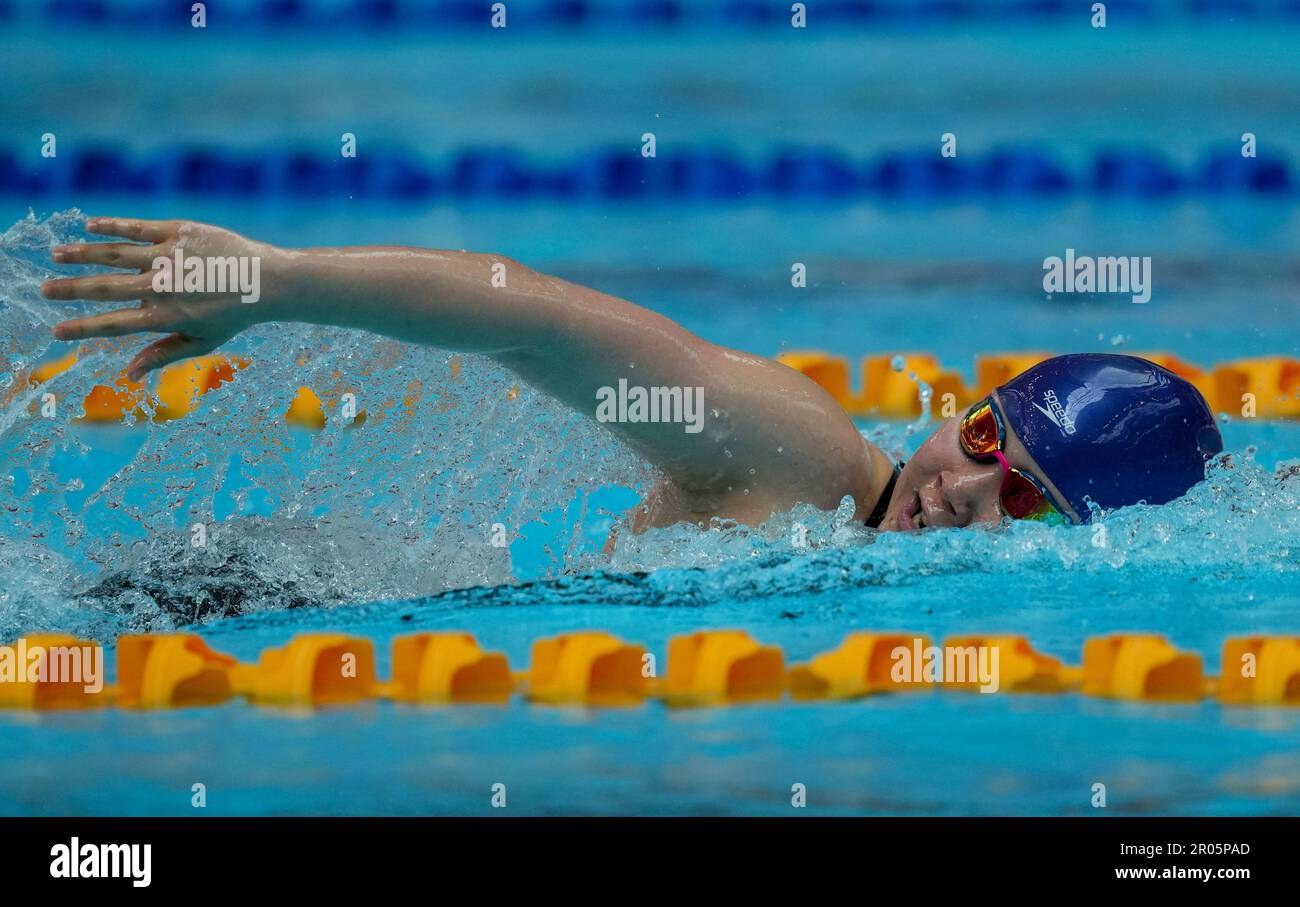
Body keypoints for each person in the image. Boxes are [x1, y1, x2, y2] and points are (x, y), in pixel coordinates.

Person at [41, 217, 1223, 534]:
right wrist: (280, 281)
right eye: (982, 443)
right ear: (960, 415)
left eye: (1020, 499)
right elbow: (539, 318)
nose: (967, 489)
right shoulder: (802, 456)